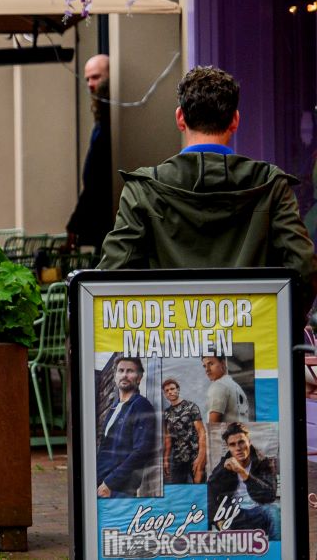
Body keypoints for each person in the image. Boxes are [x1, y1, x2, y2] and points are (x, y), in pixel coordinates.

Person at [101, 65, 317, 317]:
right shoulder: (272, 185)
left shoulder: (143, 189)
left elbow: (112, 277)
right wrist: (282, 326)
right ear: (235, 120)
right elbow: (303, 267)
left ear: (180, 118)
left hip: (171, 344)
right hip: (256, 346)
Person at [68, 53, 115, 249]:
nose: (89, 83)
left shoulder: (111, 119)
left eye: (96, 77)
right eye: (87, 78)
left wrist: (75, 224)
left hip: (108, 219)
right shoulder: (102, 118)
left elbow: (96, 179)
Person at [93, 357, 157, 498]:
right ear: (115, 376)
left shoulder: (141, 405)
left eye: (130, 371)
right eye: (121, 371)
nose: (124, 375)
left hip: (118, 489)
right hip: (102, 483)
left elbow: (142, 451)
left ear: (139, 378)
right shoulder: (114, 407)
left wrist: (110, 483)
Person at [207, 420, 278, 535]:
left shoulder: (263, 462)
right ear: (228, 447)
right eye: (232, 444)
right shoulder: (224, 465)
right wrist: (217, 518)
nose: (238, 448)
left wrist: (243, 473)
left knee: (274, 512)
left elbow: (270, 496)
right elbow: (209, 493)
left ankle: (277, 550)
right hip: (234, 513)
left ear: (249, 442)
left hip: (258, 511)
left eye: (241, 442)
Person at [160, 375, 203, 489]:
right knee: (177, 490)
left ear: (178, 389)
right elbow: (168, 438)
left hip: (194, 454)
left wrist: (201, 457)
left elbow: (201, 433)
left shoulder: (191, 407)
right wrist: (166, 460)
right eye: (167, 391)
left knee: (200, 487)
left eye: (172, 389)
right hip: (178, 458)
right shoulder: (166, 413)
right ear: (165, 394)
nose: (170, 392)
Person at [201, 350, 250, 431]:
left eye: (211, 364)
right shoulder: (237, 387)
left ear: (223, 363)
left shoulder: (218, 385)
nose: (207, 369)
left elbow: (213, 426)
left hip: (225, 440)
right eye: (205, 366)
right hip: (241, 438)